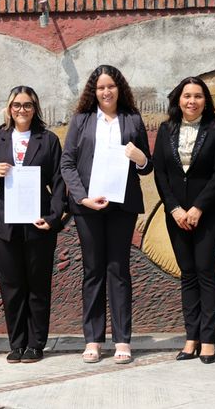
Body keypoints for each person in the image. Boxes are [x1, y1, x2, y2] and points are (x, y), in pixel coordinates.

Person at [60, 65, 152, 365]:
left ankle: (123, 339)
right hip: (88, 209)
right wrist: (82, 197)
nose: (106, 91)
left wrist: (141, 160)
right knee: (93, 271)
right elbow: (68, 163)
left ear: (119, 88)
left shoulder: (133, 120)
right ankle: (93, 339)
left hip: (122, 207)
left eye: (111, 86)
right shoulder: (81, 120)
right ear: (93, 91)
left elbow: (147, 164)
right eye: (100, 87)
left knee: (119, 270)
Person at [0, 86, 65, 364]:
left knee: (37, 285)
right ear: (9, 108)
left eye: (27, 105)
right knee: (11, 285)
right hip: (5, 225)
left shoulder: (48, 140)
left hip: (38, 222)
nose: (21, 110)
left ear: (35, 108)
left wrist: (53, 218)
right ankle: (16, 343)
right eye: (16, 105)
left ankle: (36, 343)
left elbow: (60, 182)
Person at [152, 77, 215, 364]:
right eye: (187, 96)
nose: (192, 101)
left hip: (207, 214)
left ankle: (208, 340)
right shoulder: (166, 129)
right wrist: (174, 209)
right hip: (175, 216)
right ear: (179, 100)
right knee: (187, 275)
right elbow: (160, 173)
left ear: (205, 101)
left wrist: (197, 208)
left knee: (205, 273)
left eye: (198, 96)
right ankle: (191, 337)